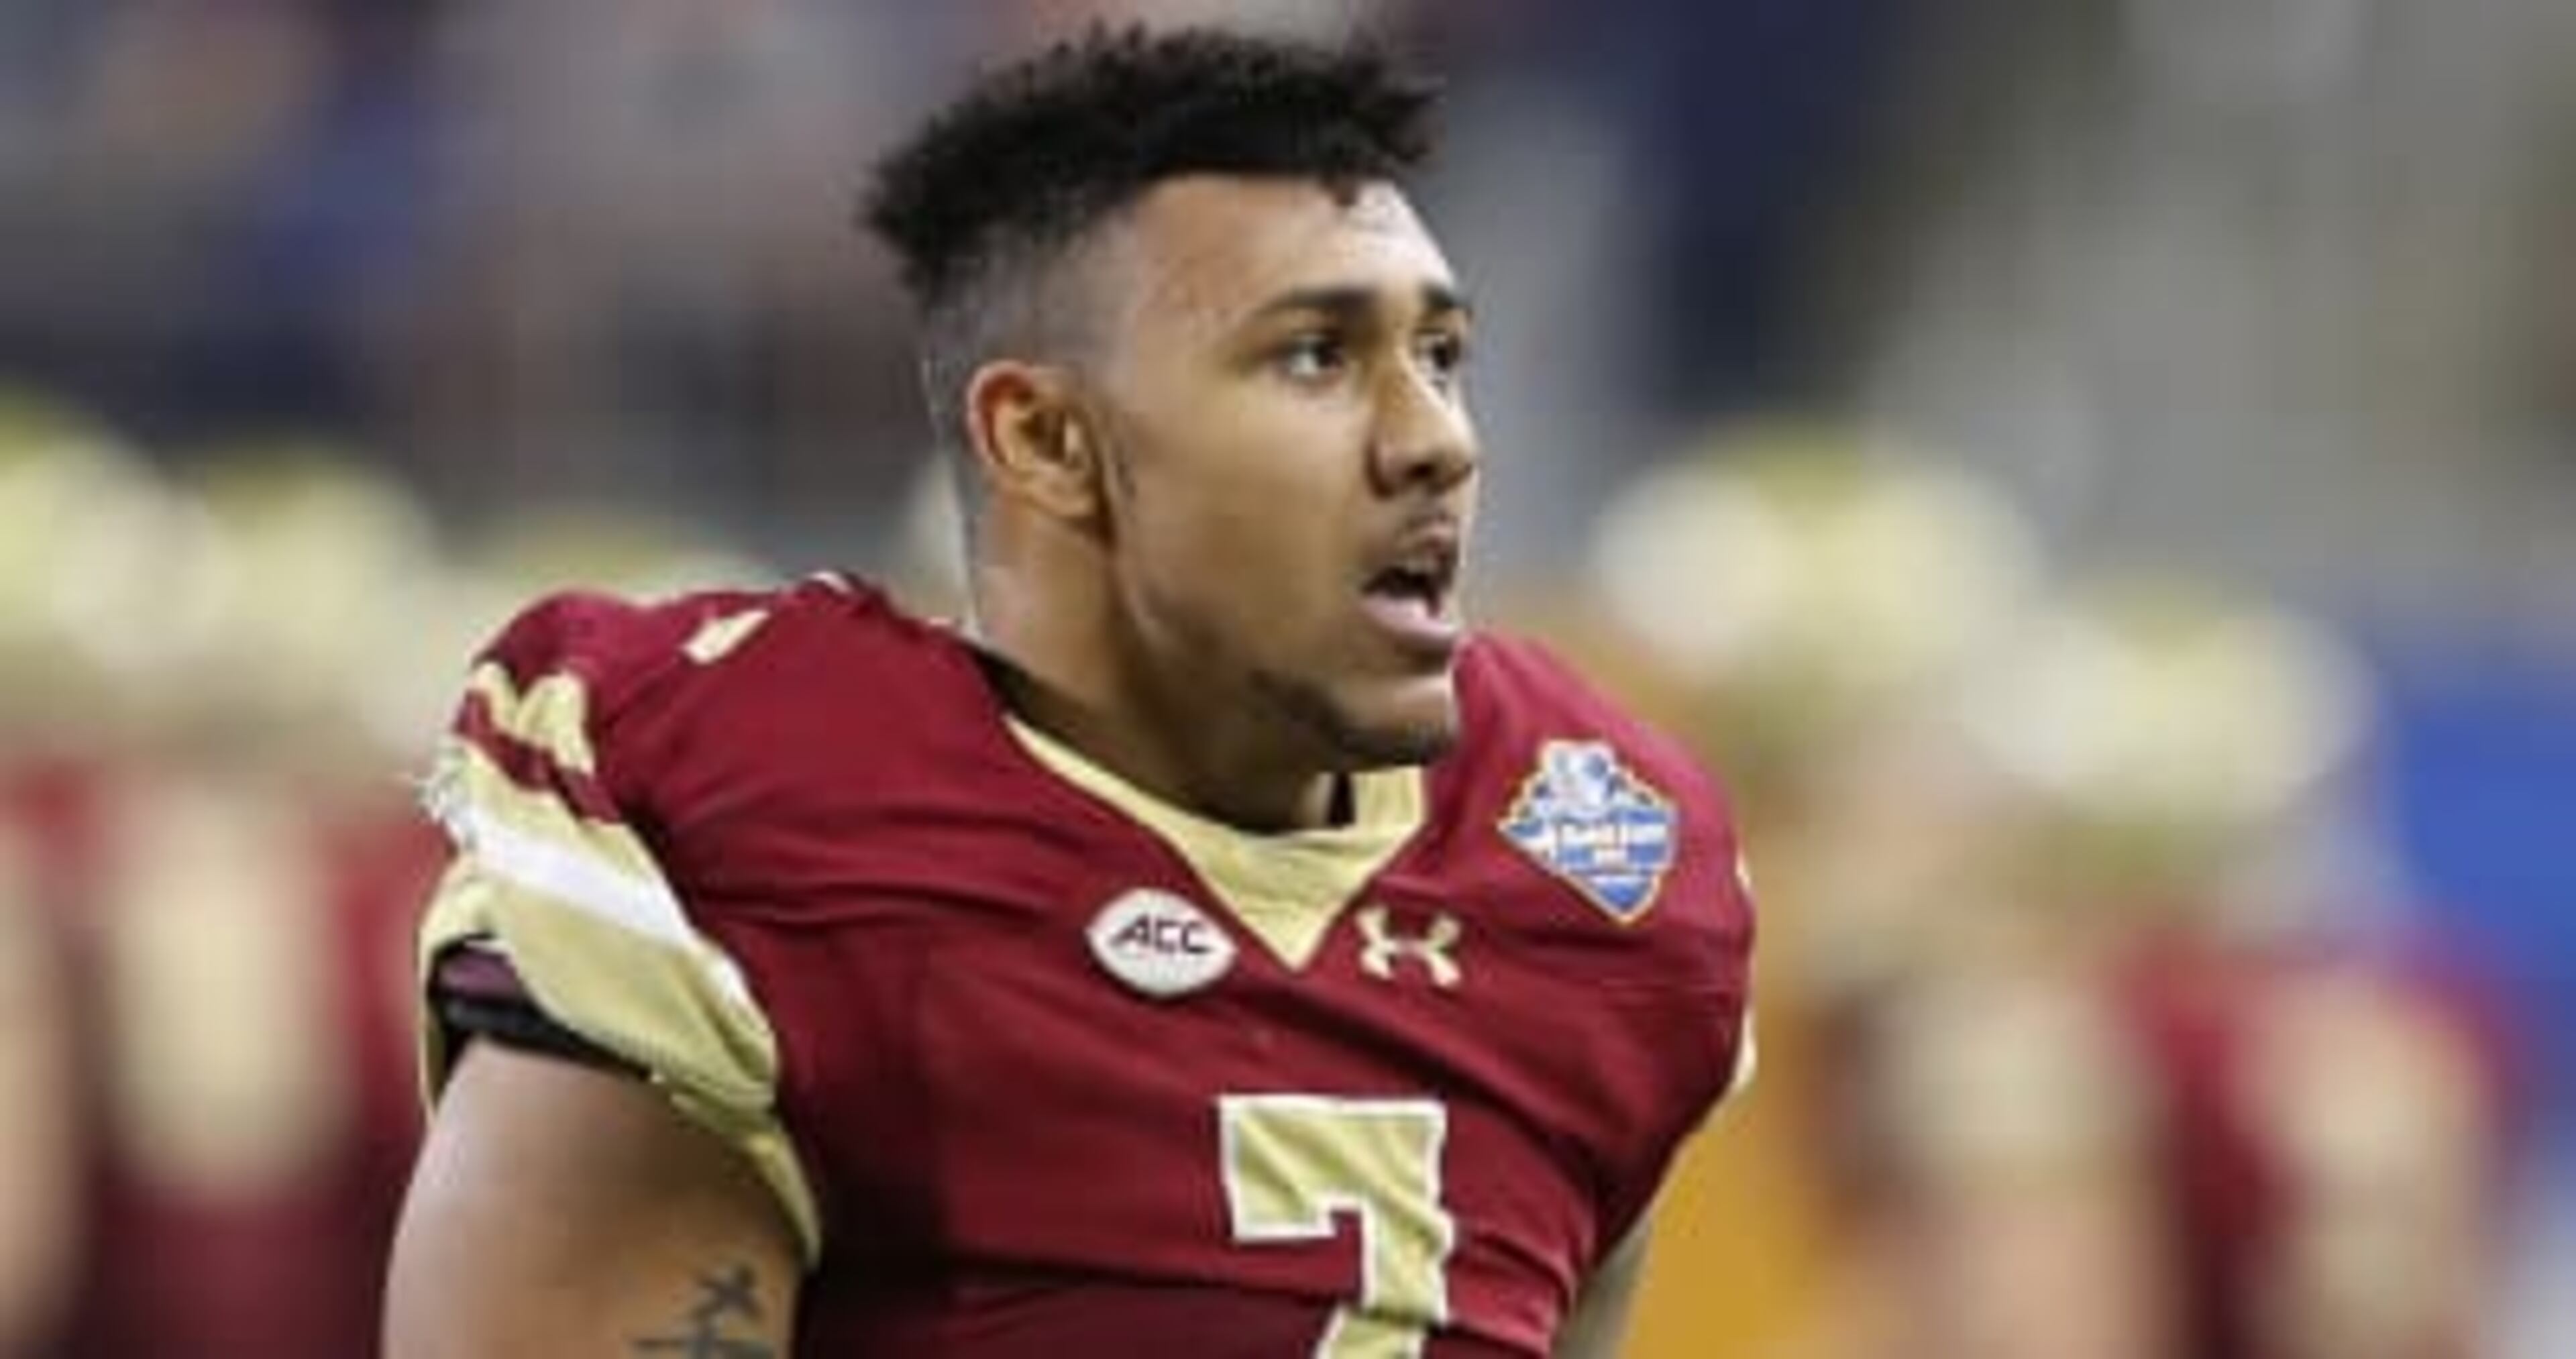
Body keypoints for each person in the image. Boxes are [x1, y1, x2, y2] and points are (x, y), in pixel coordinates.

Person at [382, 25, 1757, 1359]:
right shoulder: (759, 835)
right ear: (1045, 438)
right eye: (1316, 356)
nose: (1435, 439)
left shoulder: (1586, 860)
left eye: (1441, 354)